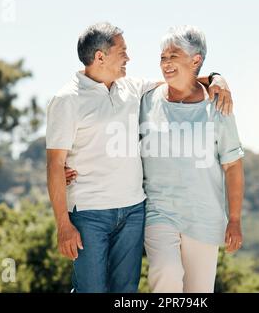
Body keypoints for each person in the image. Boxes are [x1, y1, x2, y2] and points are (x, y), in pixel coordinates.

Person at [47, 22, 233, 293]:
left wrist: (218, 78)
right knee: (91, 289)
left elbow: (180, 79)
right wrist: (63, 225)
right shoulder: (67, 100)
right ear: (100, 57)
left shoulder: (132, 88)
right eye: (122, 51)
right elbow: (54, 165)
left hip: (134, 211)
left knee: (125, 291)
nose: (128, 58)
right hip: (89, 214)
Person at [139, 25, 245, 293]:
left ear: (195, 60)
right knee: (167, 274)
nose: (165, 63)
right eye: (163, 57)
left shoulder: (219, 106)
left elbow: (232, 165)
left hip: (204, 216)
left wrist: (234, 219)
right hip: (159, 211)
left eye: (173, 55)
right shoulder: (147, 100)